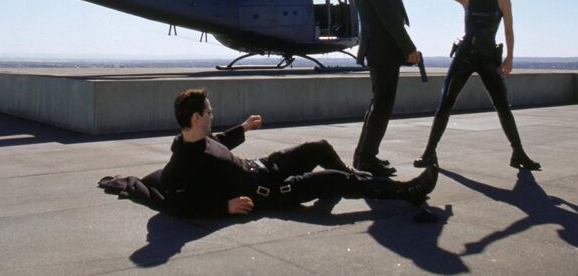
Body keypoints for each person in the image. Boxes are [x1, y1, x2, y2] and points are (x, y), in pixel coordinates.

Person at [160, 88, 438, 217]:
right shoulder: (185, 160)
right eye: (209, 112)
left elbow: (219, 142)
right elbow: (174, 201)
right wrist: (224, 207)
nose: (213, 114)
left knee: (319, 147)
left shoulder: (198, 139)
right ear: (195, 118)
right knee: (332, 180)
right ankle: (404, 192)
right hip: (273, 192)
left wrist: (243, 128)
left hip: (267, 167)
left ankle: (356, 180)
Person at [407, 0, 541, 170]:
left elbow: (508, 30)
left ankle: (518, 153)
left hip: (488, 57)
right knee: (446, 102)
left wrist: (510, 58)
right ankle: (429, 153)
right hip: (464, 56)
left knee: (502, 105)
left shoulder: (502, 0)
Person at [352, 0, 420, 176]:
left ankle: (365, 155)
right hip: (383, 51)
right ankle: (365, 158)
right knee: (382, 104)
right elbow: (390, 19)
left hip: (380, 50)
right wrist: (410, 48)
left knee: (379, 104)